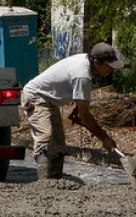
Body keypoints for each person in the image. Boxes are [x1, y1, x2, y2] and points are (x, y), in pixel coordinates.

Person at [21, 42, 125, 179]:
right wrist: (104, 138)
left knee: (58, 144)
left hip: (49, 100)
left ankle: (55, 180)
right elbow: (86, 116)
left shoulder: (86, 64)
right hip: (35, 96)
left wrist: (78, 110)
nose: (111, 70)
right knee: (45, 138)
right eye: (109, 66)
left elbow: (80, 103)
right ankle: (44, 183)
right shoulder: (82, 75)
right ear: (97, 62)